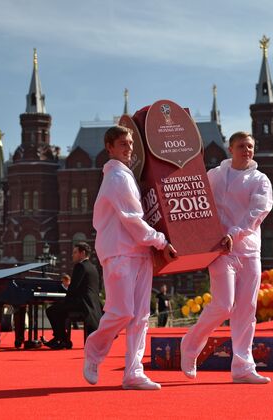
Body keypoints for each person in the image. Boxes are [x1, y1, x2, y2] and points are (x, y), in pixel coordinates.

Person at [83, 125, 177, 391]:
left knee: (140, 317)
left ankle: (134, 372)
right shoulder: (117, 178)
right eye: (123, 144)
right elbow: (133, 220)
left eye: (131, 144)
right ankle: (94, 348)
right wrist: (161, 241)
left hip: (139, 252)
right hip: (119, 251)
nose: (129, 148)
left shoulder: (127, 176)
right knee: (121, 311)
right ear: (109, 147)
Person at [180, 131, 273, 384]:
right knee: (223, 305)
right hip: (220, 250)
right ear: (230, 149)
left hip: (249, 249)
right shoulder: (214, 176)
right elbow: (197, 204)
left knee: (246, 310)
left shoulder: (260, 180)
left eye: (250, 146)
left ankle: (243, 367)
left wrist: (235, 233)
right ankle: (190, 345)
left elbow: (258, 212)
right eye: (242, 146)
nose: (247, 150)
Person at [44, 242, 102, 349]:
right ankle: (61, 339)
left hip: (82, 304)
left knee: (51, 310)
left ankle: (62, 339)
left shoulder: (80, 266)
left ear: (82, 253)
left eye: (75, 252)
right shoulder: (93, 267)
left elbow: (73, 288)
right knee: (59, 310)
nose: (72, 255)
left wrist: (63, 300)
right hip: (92, 305)